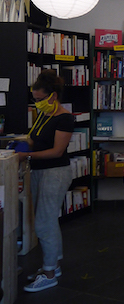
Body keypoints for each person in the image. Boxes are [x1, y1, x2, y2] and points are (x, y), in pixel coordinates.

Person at [18, 70, 74, 292]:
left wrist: (27, 156)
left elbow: (57, 151)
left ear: (53, 96)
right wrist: (19, 145)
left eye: (40, 99)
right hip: (40, 171)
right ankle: (53, 266)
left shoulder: (65, 118)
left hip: (55, 173)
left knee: (44, 223)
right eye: (35, 99)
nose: (37, 103)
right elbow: (34, 139)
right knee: (47, 221)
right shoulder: (43, 114)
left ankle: (49, 274)